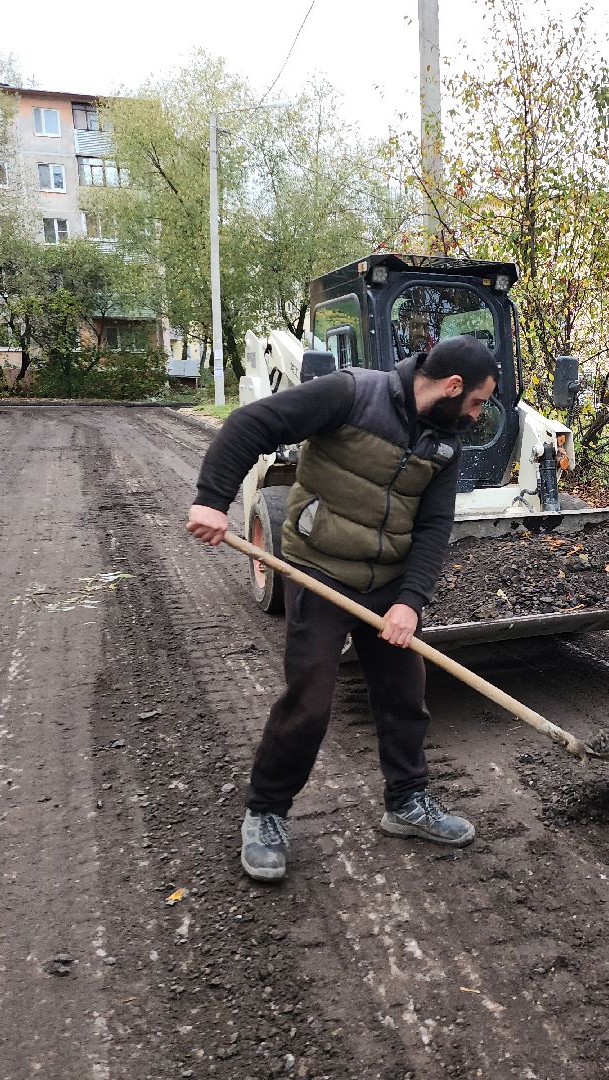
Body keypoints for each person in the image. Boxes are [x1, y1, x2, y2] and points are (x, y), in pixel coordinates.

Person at [186, 335, 498, 882]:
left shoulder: (446, 440)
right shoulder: (351, 394)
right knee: (308, 704)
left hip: (388, 582)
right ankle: (266, 813)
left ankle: (406, 802)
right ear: (453, 386)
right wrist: (212, 500)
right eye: (476, 401)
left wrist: (410, 602)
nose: (477, 414)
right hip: (320, 572)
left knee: (404, 696)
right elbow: (250, 424)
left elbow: (434, 527)